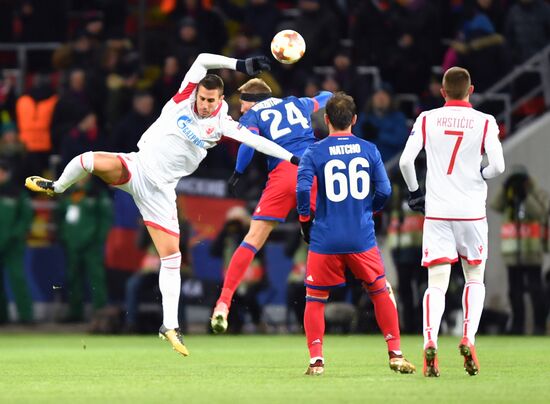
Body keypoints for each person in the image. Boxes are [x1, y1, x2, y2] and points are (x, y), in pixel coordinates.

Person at [25, 53, 301, 357]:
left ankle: (169, 326)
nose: (205, 104)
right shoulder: (184, 97)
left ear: (221, 99)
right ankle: (56, 187)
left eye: (212, 100)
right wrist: (240, 65)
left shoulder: (224, 124)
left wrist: (292, 158)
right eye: (203, 97)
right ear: (196, 92)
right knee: (87, 159)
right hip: (137, 168)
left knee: (172, 259)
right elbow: (201, 59)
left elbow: (258, 143)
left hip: (162, 193)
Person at [296, 92, 416, 376]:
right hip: (361, 237)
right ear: (355, 120)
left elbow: (302, 189)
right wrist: (367, 211)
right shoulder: (370, 149)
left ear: (326, 120)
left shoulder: (314, 151)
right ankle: (396, 353)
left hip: (325, 237)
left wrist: (304, 221)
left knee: (315, 299)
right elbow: (385, 191)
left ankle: (316, 360)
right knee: (380, 292)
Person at [399, 67, 505, 377]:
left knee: (436, 284)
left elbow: (406, 161)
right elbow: (497, 165)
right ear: (471, 90)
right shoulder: (485, 121)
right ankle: (468, 339)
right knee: (474, 278)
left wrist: (415, 193)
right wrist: (479, 175)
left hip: (438, 211)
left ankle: (429, 340)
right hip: (471, 211)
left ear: (442, 91)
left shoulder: (427, 118)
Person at [210, 78, 332, 333]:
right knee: (334, 232)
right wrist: (323, 92)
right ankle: (377, 286)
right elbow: (325, 98)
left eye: (242, 103)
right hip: (313, 171)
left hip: (283, 174)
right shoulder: (296, 103)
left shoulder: (252, 115)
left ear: (252, 100)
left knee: (253, 238)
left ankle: (223, 302)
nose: (241, 109)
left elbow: (249, 144)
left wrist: (238, 172)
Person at [491, 166, 549, 335]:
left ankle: (539, 326)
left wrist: (527, 194)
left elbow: (542, 212)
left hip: (532, 254)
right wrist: (505, 187)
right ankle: (517, 326)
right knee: (514, 293)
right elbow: (495, 205)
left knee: (535, 292)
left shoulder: (535, 193)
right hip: (513, 255)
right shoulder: (509, 195)